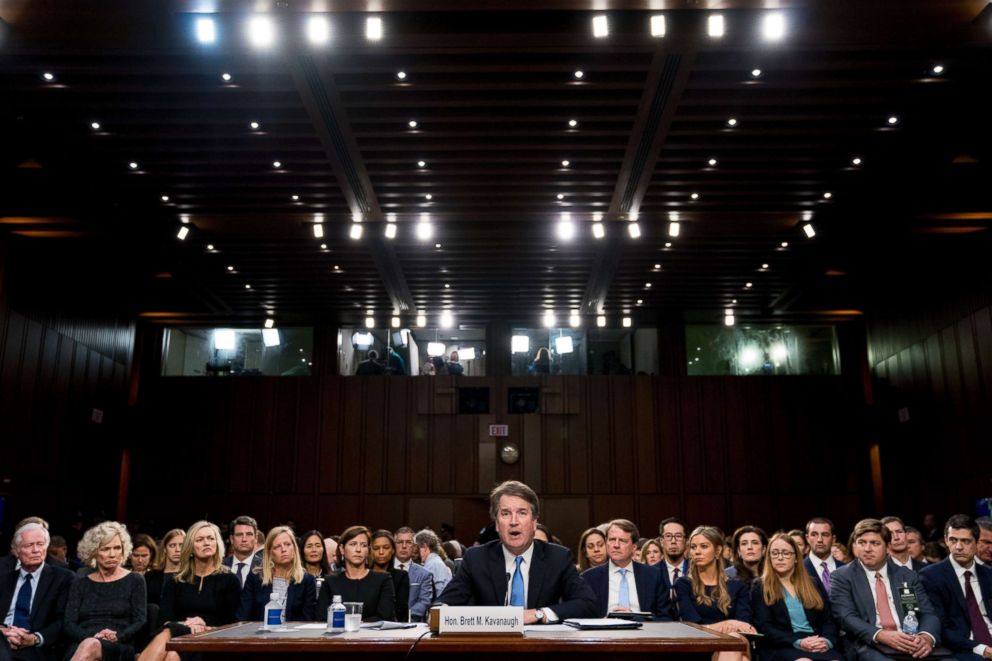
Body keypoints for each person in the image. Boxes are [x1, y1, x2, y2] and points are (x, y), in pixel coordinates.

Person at [437, 480, 597, 623]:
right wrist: (439, 611)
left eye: (522, 513)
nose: (514, 522)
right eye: (506, 514)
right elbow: (443, 603)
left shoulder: (558, 558)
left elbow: (588, 604)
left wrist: (539, 614)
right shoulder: (476, 558)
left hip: (542, 649)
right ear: (497, 525)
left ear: (534, 522)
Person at [830, 518, 941, 661]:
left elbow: (928, 613)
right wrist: (880, 634)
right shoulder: (842, 576)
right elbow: (846, 617)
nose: (867, 549)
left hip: (910, 641)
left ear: (888, 547)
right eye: (862, 543)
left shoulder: (906, 575)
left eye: (875, 543)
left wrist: (926, 637)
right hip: (869, 644)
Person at [138, 521, 240, 661]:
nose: (206, 543)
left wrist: (204, 627)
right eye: (200, 539)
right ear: (190, 548)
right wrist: (187, 625)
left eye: (211, 538)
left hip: (211, 640)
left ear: (217, 544)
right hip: (178, 637)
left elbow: (232, 625)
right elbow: (163, 621)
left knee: (172, 645)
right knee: (172, 652)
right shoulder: (176, 581)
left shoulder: (229, 580)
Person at [750, 533, 842, 661]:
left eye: (786, 553)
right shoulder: (760, 586)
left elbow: (828, 620)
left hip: (816, 642)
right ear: (769, 558)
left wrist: (827, 641)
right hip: (782, 645)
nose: (780, 558)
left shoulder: (813, 583)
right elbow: (765, 627)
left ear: (796, 558)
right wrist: (799, 642)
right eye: (775, 553)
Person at [63, 522, 147, 661]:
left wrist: (118, 636)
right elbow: (69, 624)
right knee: (89, 645)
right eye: (106, 549)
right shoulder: (80, 582)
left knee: (90, 646)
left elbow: (140, 621)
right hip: (83, 642)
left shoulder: (135, 580)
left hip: (119, 645)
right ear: (94, 551)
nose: (112, 554)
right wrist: (92, 636)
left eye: (117, 548)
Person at [674, 526, 755, 661]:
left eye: (704, 546)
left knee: (734, 640)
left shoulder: (738, 586)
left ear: (718, 551)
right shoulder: (683, 584)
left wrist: (711, 627)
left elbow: (743, 626)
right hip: (699, 647)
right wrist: (728, 624)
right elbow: (691, 626)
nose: (697, 552)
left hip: (735, 642)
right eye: (693, 547)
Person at [919, 514, 992, 661]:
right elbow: (941, 626)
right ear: (946, 540)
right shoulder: (930, 576)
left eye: (965, 541)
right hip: (964, 648)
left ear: (977, 543)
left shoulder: (989, 574)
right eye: (953, 540)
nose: (958, 547)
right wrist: (983, 649)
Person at [0, 522, 74, 661]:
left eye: (40, 544)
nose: (36, 550)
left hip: (37, 647)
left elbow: (63, 621)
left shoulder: (63, 578)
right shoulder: (3, 578)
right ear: (16, 551)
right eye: (29, 545)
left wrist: (34, 638)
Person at [580, 519, 671, 619]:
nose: (616, 545)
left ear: (634, 547)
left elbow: (666, 618)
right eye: (612, 540)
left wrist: (637, 618)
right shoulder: (588, 578)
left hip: (643, 632)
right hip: (604, 633)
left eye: (622, 541)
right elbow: (582, 616)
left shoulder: (653, 575)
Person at [237, 526, 316, 622]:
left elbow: (307, 619)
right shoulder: (255, 578)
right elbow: (243, 616)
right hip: (259, 634)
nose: (283, 549)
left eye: (287, 544)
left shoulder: (307, 580)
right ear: (270, 553)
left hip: (293, 635)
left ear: (294, 548)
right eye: (277, 546)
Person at [317, 526, 395, 622]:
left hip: (373, 635)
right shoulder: (330, 582)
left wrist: (355, 624)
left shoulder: (383, 580)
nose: (358, 549)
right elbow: (322, 618)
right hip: (337, 635)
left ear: (368, 551)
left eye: (363, 545)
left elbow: (385, 617)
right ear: (342, 549)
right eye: (353, 544)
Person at [392, 528, 432, 622]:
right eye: (400, 542)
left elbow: (424, 602)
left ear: (414, 547)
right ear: (394, 546)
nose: (404, 546)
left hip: (412, 623)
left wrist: (405, 617)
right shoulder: (384, 570)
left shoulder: (424, 574)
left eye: (408, 542)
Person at [369, 531, 410, 622]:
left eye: (386, 547)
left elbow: (400, 610)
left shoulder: (401, 576)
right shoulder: (363, 575)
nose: (381, 552)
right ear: (370, 550)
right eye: (376, 548)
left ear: (393, 550)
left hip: (391, 628)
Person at [804, 517, 844, 601]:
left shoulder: (846, 569)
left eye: (825, 535)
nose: (819, 540)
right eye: (814, 534)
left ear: (833, 539)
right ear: (807, 538)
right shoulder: (798, 569)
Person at [143, 530, 183, 607]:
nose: (177, 550)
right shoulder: (150, 576)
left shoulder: (192, 576)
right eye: (172, 545)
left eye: (181, 545)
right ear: (165, 549)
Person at [222, 516, 262, 590]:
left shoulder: (265, 567)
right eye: (239, 535)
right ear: (231, 539)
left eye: (249, 534)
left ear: (256, 538)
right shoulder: (219, 566)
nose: (244, 539)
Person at [413, 530, 451, 598]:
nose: (414, 551)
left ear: (424, 547)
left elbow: (439, 592)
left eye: (416, 547)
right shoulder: (435, 562)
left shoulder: (433, 564)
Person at [659, 517, 691, 591]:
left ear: (686, 541)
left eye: (678, 536)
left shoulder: (697, 570)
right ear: (661, 541)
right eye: (668, 536)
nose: (673, 541)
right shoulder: (652, 572)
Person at [299, 530, 329, 599]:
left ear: (323, 549)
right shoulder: (296, 578)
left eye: (318, 546)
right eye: (309, 546)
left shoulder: (331, 579)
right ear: (302, 550)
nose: (314, 550)